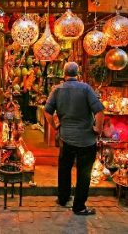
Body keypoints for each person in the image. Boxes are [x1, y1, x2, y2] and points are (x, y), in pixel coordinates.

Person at [44, 61, 104, 215]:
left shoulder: (57, 90)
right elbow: (99, 111)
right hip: (86, 140)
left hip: (66, 138)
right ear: (78, 73)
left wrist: (55, 126)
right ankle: (79, 206)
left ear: (64, 73)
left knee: (64, 169)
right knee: (84, 173)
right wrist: (98, 128)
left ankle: (63, 198)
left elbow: (47, 112)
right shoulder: (86, 89)